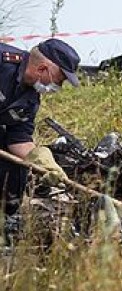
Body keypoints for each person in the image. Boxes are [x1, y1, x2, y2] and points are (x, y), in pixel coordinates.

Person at [0, 38, 80, 215]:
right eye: (59, 80)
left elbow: (18, 139)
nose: (58, 87)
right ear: (42, 68)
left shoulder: (30, 99)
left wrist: (40, 159)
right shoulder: (2, 62)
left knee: (16, 169)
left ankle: (6, 222)